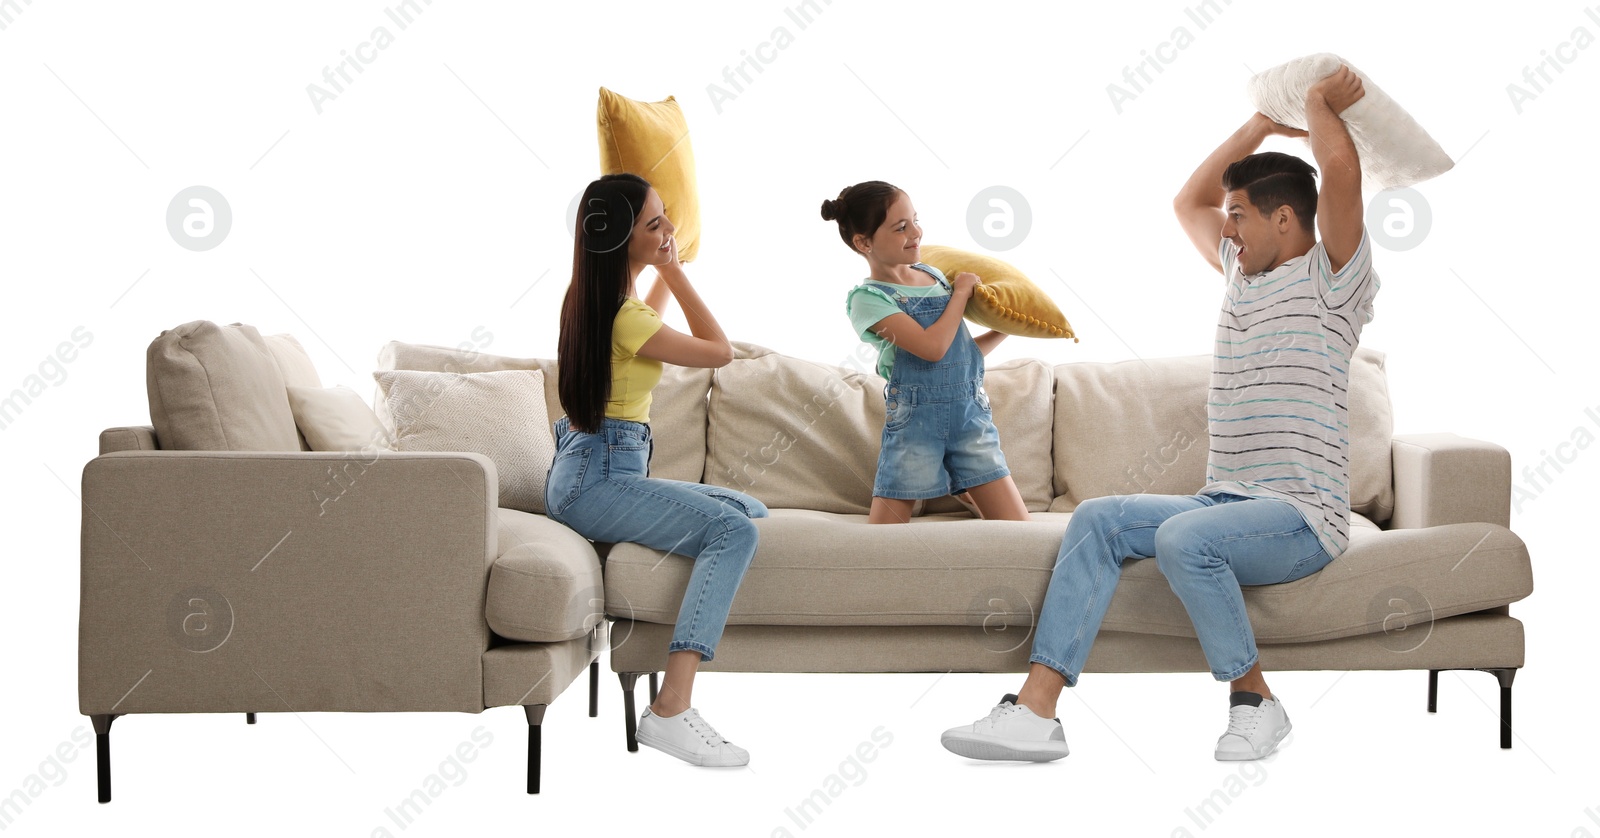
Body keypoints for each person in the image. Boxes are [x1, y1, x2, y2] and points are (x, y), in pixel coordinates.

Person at [940, 65, 1376, 761]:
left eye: (1240, 215)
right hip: (1226, 498)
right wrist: (1264, 122)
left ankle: (1255, 701)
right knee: (1097, 518)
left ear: (1286, 219)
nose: (1226, 227)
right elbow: (1187, 201)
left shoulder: (1332, 281)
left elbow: (1340, 173)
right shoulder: (1240, 274)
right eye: (1229, 217)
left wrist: (1319, 102)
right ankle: (1036, 711)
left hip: (1301, 517)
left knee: (1185, 541)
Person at [546, 172, 766, 767]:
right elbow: (719, 351)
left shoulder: (599, 302)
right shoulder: (625, 318)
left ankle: (670, 697)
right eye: (654, 224)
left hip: (592, 468)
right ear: (622, 238)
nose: (669, 230)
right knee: (734, 530)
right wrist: (675, 269)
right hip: (600, 477)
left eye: (666, 217)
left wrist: (659, 266)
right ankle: (672, 706)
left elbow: (647, 319)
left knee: (750, 508)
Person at [821, 181, 1030, 525]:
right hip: (915, 426)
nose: (916, 232)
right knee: (884, 541)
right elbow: (932, 349)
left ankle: (963, 487)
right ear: (863, 242)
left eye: (915, 220)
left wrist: (1006, 327)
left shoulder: (931, 275)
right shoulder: (868, 300)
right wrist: (961, 293)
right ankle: (958, 487)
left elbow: (960, 353)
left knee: (1019, 530)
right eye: (901, 227)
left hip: (970, 419)